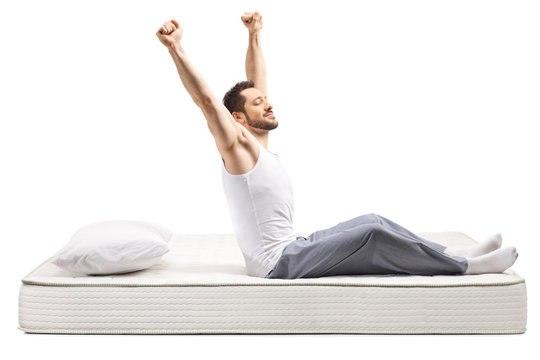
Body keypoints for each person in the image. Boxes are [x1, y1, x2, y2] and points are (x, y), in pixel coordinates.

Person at [156, 12, 519, 279]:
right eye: (257, 104)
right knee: (372, 236)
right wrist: (176, 47)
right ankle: (465, 267)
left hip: (295, 245)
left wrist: (254, 35)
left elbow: (257, 83)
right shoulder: (238, 149)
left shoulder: (260, 147)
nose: (268, 103)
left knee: (373, 219)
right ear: (237, 119)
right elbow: (206, 101)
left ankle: (453, 252)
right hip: (277, 264)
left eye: (265, 100)